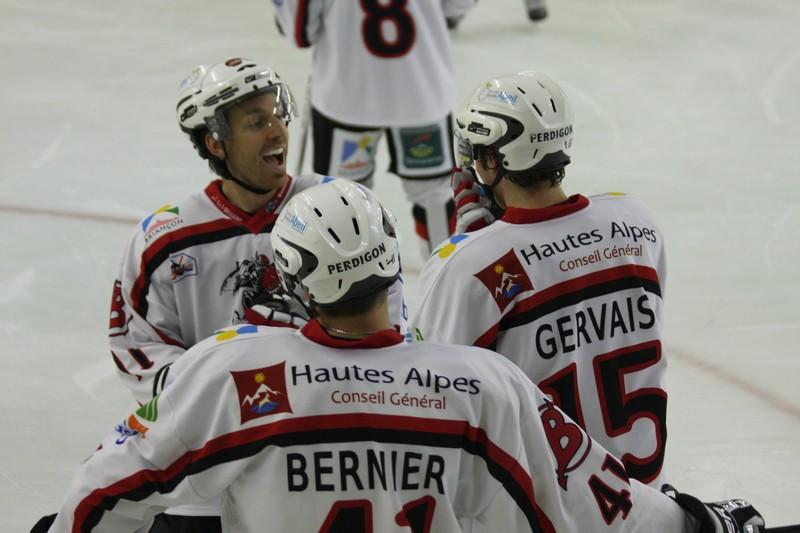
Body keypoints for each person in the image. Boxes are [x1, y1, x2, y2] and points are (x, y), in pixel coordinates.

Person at [36, 179, 763, 532]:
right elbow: (593, 501)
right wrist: (701, 522)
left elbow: (101, 492)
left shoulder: (227, 374)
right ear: (391, 265)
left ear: (293, 281)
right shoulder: (480, 386)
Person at [107, 58, 407, 532]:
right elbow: (137, 346)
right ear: (215, 142)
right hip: (204, 485)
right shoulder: (165, 238)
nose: (277, 131)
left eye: (278, 115)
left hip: (316, 465)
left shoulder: (342, 211)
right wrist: (223, 397)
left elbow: (389, 326)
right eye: (256, 122)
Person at [412, 70, 670, 489]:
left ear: (492, 160)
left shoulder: (467, 267)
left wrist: (475, 247)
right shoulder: (637, 223)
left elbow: (429, 395)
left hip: (543, 507)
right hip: (645, 498)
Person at [272, 0, 477, 256]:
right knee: (434, 198)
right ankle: (442, 271)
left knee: (340, 199)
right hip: (422, 94)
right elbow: (457, 7)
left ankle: (348, 277)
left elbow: (300, 32)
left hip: (346, 99)